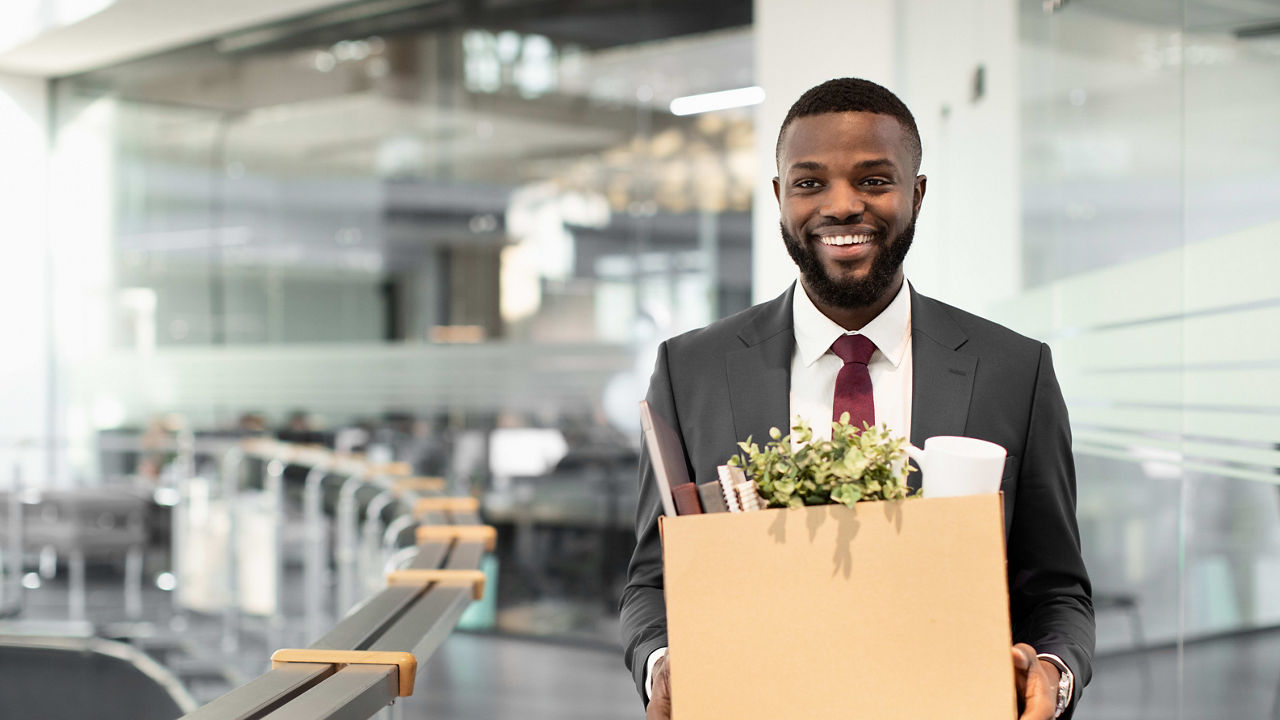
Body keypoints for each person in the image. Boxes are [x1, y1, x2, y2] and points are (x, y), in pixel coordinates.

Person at [620, 78, 1094, 720]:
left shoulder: (1014, 369)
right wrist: (663, 666)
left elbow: (1057, 587)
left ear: (917, 194)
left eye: (873, 180)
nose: (841, 206)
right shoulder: (691, 369)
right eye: (809, 183)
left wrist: (1053, 673)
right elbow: (653, 581)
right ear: (780, 196)